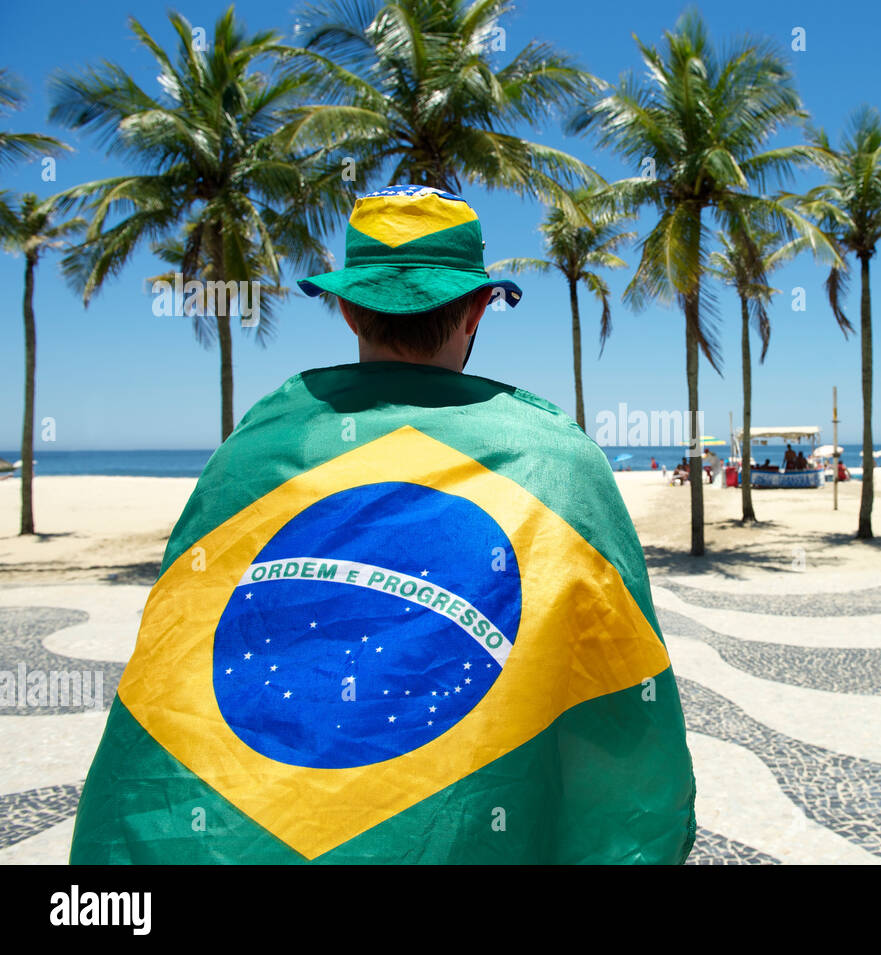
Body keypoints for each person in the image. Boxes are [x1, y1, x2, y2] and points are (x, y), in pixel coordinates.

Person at [69, 185, 696, 865]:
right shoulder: (557, 462)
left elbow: (172, 677)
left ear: (346, 309)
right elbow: (624, 713)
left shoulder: (254, 451)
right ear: (480, 309)